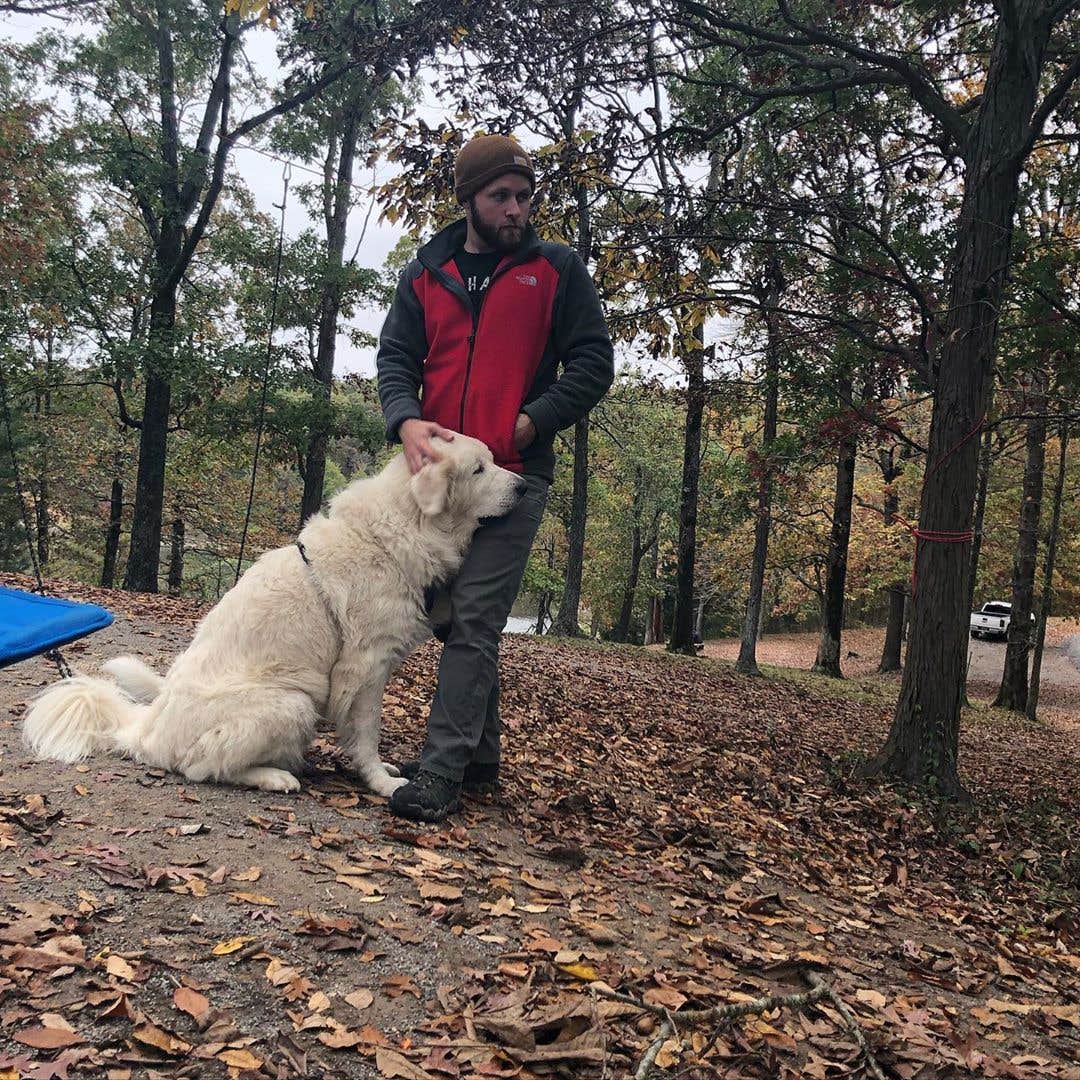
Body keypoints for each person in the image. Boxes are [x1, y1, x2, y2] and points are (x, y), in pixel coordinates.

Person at [375, 133, 614, 822]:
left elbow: (593, 362)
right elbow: (397, 359)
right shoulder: (426, 272)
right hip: (442, 482)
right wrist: (405, 422)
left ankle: (443, 772)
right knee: (452, 619)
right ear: (469, 200)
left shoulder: (556, 270)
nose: (516, 209)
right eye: (501, 196)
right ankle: (479, 760)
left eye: (524, 196)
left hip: (513, 475)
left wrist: (534, 421)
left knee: (475, 616)